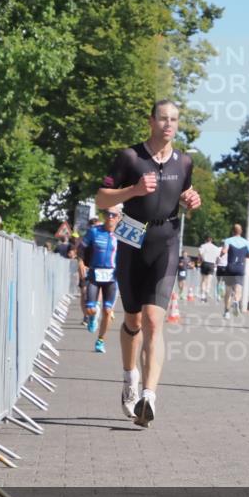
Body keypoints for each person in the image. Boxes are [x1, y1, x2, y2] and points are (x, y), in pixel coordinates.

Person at [95, 100, 201, 428]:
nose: (169, 125)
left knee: (155, 320)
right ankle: (130, 379)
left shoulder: (184, 162)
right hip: (131, 240)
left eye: (174, 120)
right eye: (163, 119)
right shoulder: (130, 157)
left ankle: (149, 396)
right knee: (133, 320)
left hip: (166, 241)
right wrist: (134, 190)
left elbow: (183, 192)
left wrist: (191, 199)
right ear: (151, 121)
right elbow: (101, 199)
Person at [79, 206, 122, 353]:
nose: (110, 217)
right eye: (107, 214)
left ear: (118, 218)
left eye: (113, 215)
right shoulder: (94, 231)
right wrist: (80, 263)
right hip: (95, 275)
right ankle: (91, 317)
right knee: (91, 309)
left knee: (107, 311)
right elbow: (81, 248)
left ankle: (100, 341)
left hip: (112, 277)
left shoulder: (122, 234)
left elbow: (138, 247)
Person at [221, 223, 249, 318]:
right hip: (240, 267)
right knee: (239, 288)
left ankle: (226, 311)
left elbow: (224, 251)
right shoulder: (246, 242)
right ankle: (236, 301)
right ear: (241, 232)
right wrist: (243, 255)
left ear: (233, 231)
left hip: (230, 267)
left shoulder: (228, 240)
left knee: (228, 290)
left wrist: (221, 255)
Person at [198, 235, 219, 302]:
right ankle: (207, 292)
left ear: (206, 240)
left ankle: (202, 295)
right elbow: (217, 257)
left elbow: (200, 254)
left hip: (205, 263)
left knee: (203, 280)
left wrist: (200, 260)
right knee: (209, 280)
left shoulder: (203, 246)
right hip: (212, 264)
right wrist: (216, 264)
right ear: (211, 240)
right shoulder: (216, 248)